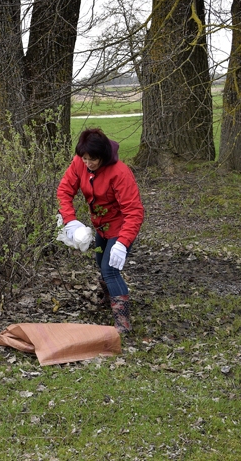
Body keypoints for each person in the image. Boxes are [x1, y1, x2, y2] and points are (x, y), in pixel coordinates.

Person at [57, 128, 144, 333]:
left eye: (92, 159)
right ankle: (109, 299)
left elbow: (134, 211)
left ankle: (123, 322)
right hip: (101, 226)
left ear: (102, 156)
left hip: (121, 227)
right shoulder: (80, 162)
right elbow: (64, 191)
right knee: (100, 262)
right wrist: (70, 221)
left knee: (110, 270)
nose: (88, 164)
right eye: (85, 158)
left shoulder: (120, 173)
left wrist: (122, 244)